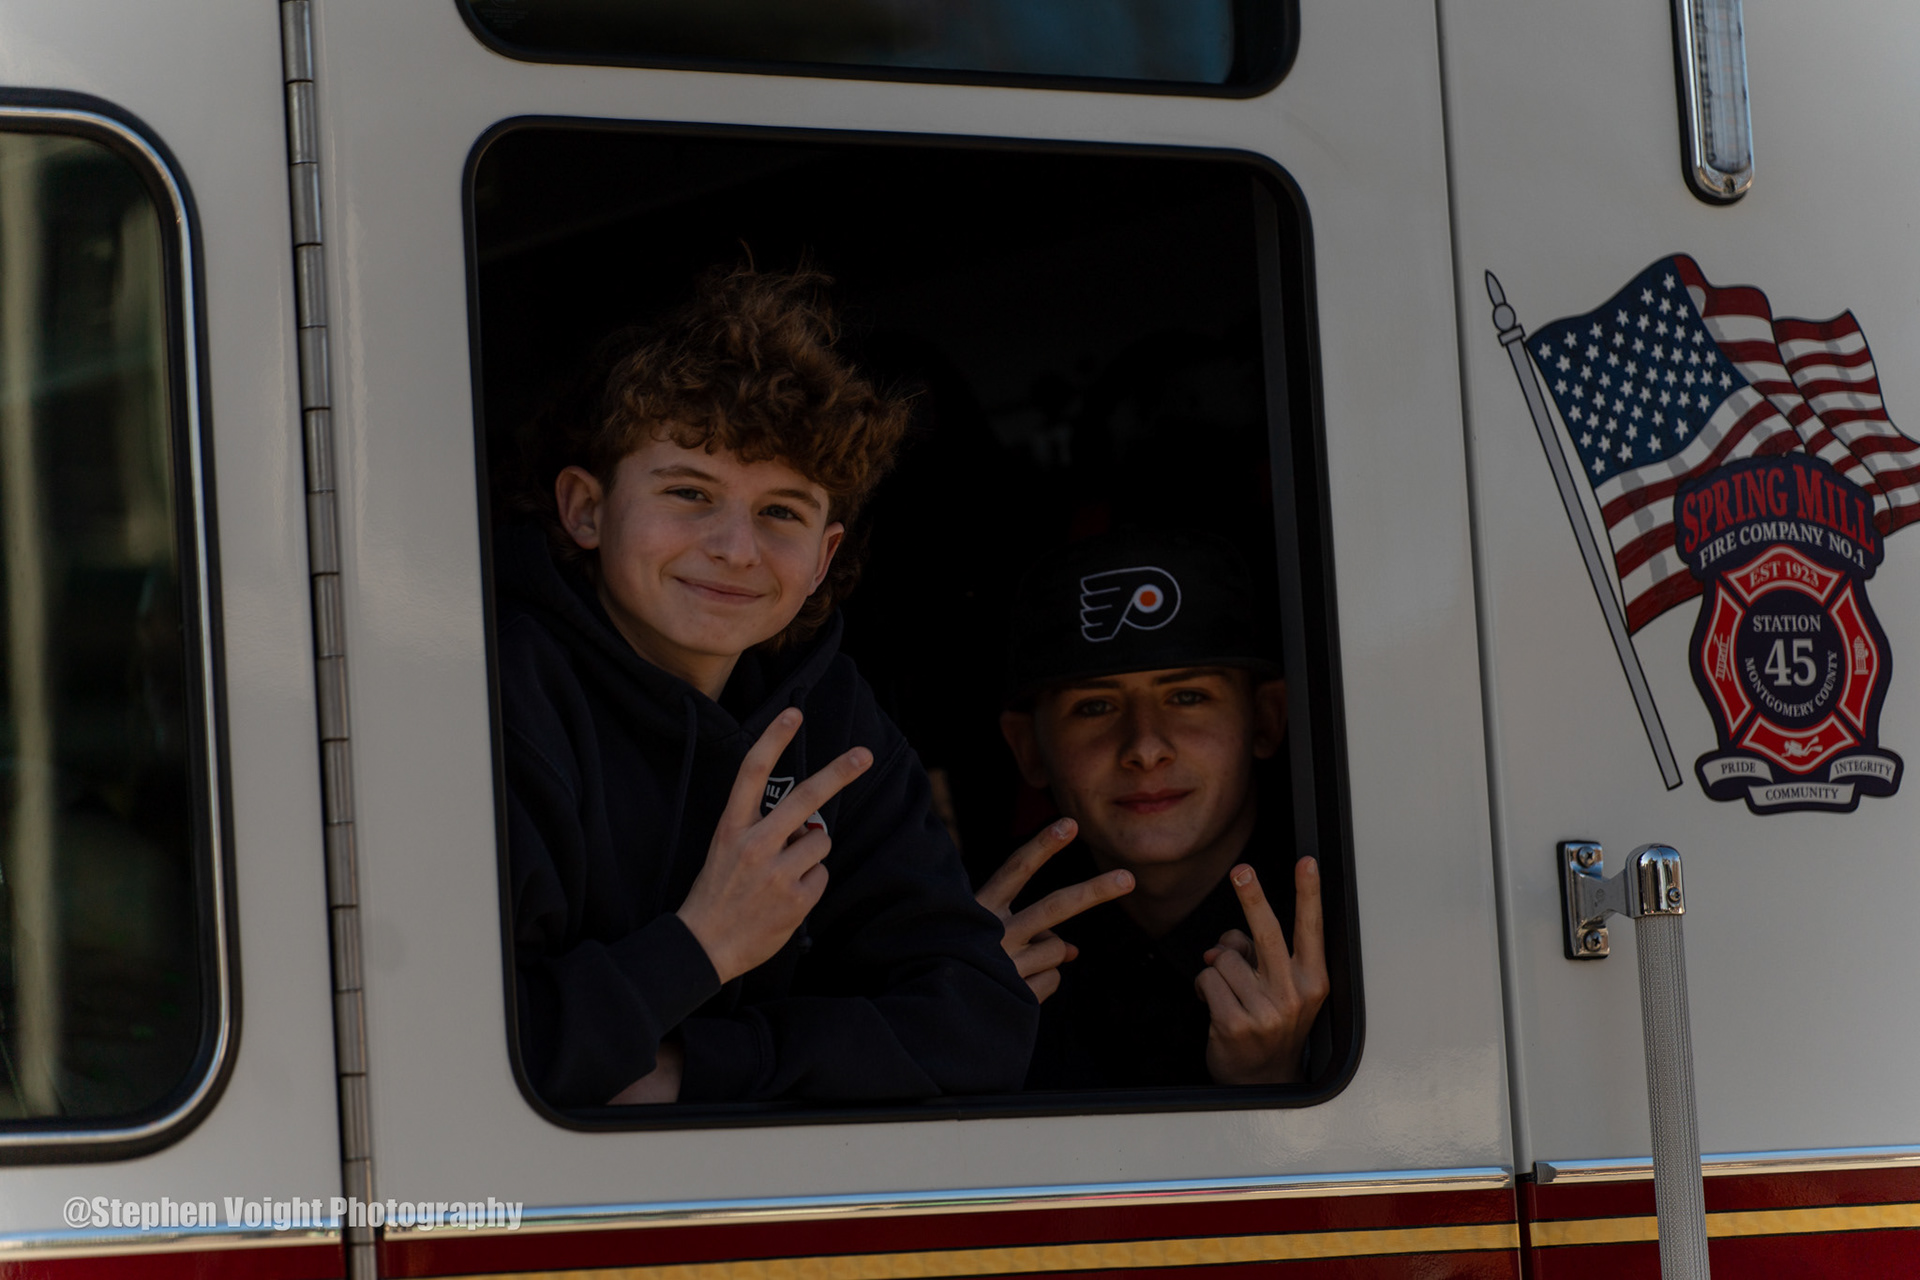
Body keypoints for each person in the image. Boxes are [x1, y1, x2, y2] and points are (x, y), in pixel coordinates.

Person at [495, 265, 1037, 1108]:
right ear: (585, 510)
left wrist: (691, 1072)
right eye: (689, 492)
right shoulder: (499, 704)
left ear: (824, 557)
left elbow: (979, 1026)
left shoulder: (830, 711)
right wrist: (703, 945)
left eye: (781, 511)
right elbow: (465, 1056)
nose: (736, 548)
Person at [975, 530, 1328, 1089]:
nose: (1144, 747)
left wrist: (1274, 1079)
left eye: (1187, 697)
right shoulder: (977, 938)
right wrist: (952, 1028)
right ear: (1028, 749)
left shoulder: (1358, 922)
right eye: (1095, 706)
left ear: (1265, 719)